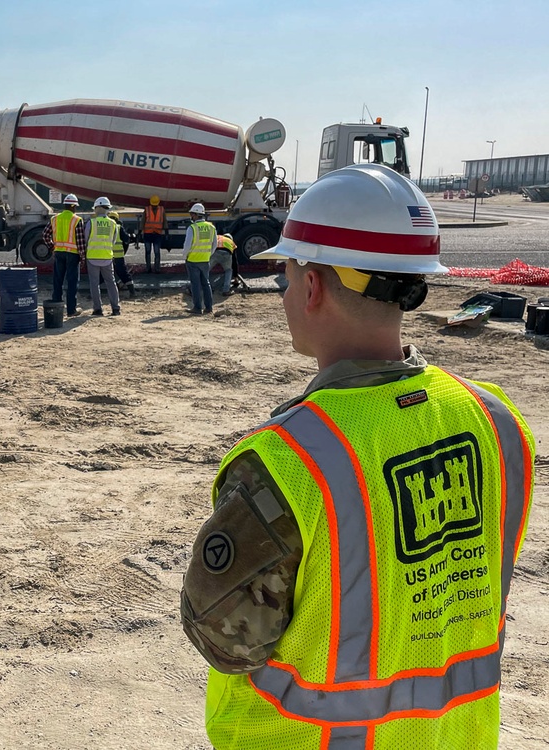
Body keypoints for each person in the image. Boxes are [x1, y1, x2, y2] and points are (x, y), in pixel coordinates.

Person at [180, 164, 535, 749]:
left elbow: (226, 641)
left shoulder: (289, 460)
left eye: (286, 277)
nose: (287, 293)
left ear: (313, 285)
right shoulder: (496, 421)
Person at [42, 193, 87, 317]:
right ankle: (71, 310)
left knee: (58, 280)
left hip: (59, 253)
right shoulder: (76, 220)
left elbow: (45, 235)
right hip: (73, 254)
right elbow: (80, 241)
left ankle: (56, 308)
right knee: (72, 282)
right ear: (73, 206)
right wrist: (83, 257)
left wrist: (52, 247)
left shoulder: (55, 218)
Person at [84, 197, 121, 316]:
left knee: (94, 284)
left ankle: (98, 309)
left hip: (92, 257)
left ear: (98, 207)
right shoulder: (113, 223)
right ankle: (116, 309)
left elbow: (86, 239)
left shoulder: (91, 222)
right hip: (107, 257)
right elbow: (113, 241)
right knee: (111, 282)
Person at [183, 203, 214, 314]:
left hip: (193, 260)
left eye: (192, 214)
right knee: (206, 283)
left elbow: (187, 245)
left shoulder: (192, 228)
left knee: (195, 285)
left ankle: (197, 308)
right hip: (205, 260)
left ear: (196, 215)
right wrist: (208, 254)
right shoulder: (211, 227)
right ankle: (209, 308)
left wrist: (185, 256)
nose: (191, 216)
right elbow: (214, 244)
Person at [108, 211, 135, 298]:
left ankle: (99, 293)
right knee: (123, 273)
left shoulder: (106, 227)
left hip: (107, 255)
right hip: (118, 256)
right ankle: (132, 292)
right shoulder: (119, 227)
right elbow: (126, 240)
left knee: (104, 274)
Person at [141, 194, 165, 273]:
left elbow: (164, 220)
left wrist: (166, 230)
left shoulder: (161, 210)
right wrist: (140, 231)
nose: (154, 206)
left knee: (157, 252)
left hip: (157, 234)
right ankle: (148, 268)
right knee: (148, 252)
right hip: (148, 234)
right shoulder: (147, 209)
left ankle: (157, 269)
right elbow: (143, 221)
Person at [211, 232, 236, 296]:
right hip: (227, 253)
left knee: (205, 270)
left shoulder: (217, 237)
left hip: (215, 252)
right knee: (228, 271)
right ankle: (226, 290)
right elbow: (234, 261)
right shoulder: (231, 242)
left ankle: (204, 288)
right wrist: (235, 276)